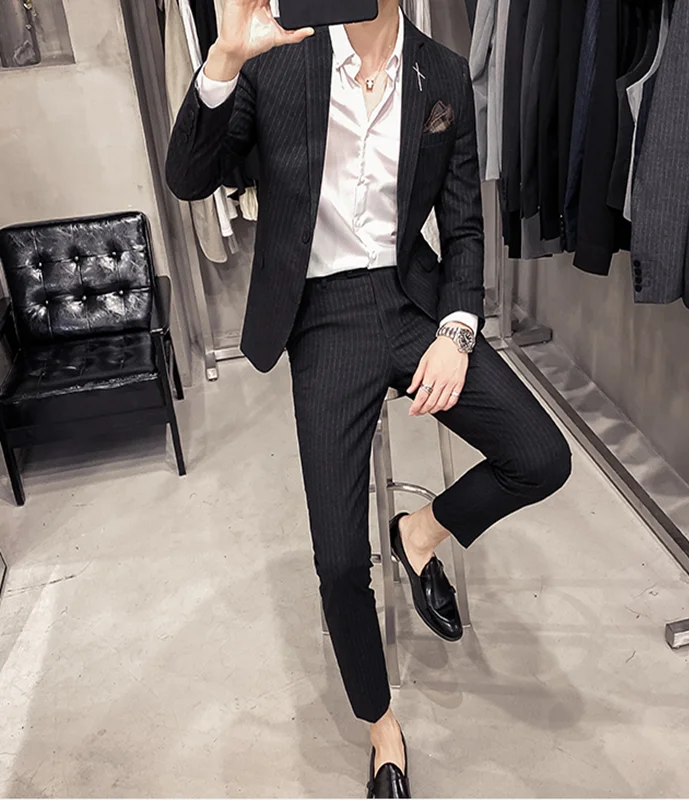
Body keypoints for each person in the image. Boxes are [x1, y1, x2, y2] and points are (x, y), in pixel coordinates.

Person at [166, 0, 572, 796]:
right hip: (321, 313)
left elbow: (463, 226)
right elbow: (189, 178)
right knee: (341, 561)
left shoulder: (442, 73)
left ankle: (419, 533)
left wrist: (457, 330)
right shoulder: (280, 60)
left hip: (413, 300)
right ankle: (382, 727)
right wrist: (224, 62)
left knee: (540, 456)